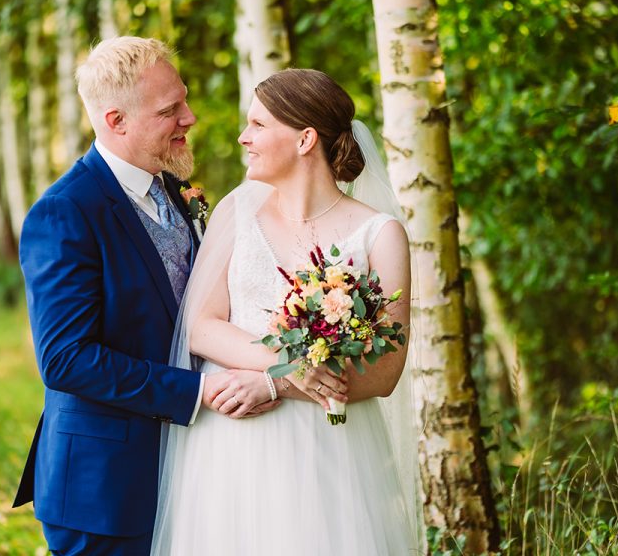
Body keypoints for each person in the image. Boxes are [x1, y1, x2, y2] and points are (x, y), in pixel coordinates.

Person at [12, 36, 278, 555]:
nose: (191, 117)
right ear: (116, 121)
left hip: (190, 468)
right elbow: (67, 360)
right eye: (170, 109)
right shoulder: (65, 212)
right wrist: (196, 392)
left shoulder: (176, 190)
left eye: (184, 99)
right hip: (105, 488)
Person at [151, 68, 421, 555]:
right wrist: (292, 365)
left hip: (329, 443)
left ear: (304, 139)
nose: (243, 137)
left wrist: (277, 384)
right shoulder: (237, 211)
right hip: (231, 442)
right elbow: (200, 327)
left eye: (257, 125)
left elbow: (384, 372)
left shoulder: (380, 235)